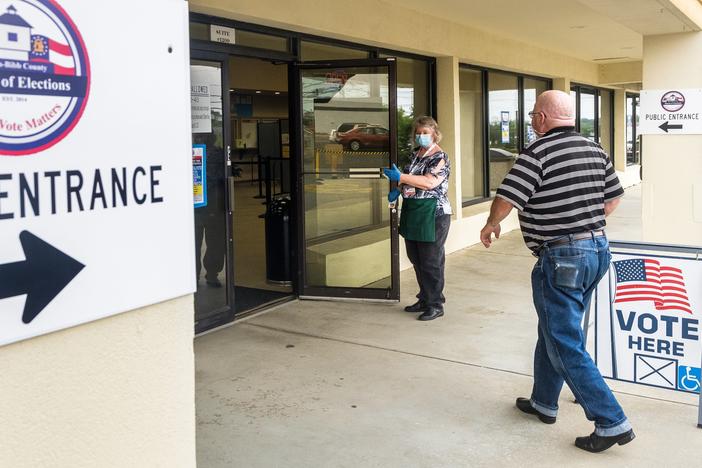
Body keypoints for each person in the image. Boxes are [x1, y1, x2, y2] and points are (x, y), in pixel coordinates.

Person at [479, 90, 633, 453]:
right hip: (596, 249)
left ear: (543, 118)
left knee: (564, 341)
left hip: (562, 256)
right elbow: (613, 197)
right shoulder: (595, 149)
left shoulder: (538, 152)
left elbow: (508, 196)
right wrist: (584, 225)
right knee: (554, 329)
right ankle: (544, 402)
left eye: (533, 114)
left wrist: (490, 224)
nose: (532, 120)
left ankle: (611, 421)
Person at [384, 116, 451, 321]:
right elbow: (408, 178)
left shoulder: (440, 157)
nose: (421, 136)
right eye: (418, 133)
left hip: (433, 213)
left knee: (431, 261)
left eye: (425, 133)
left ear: (434, 134)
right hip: (413, 211)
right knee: (416, 259)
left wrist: (401, 178)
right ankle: (424, 298)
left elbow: (430, 183)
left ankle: (435, 303)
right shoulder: (415, 155)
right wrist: (398, 190)